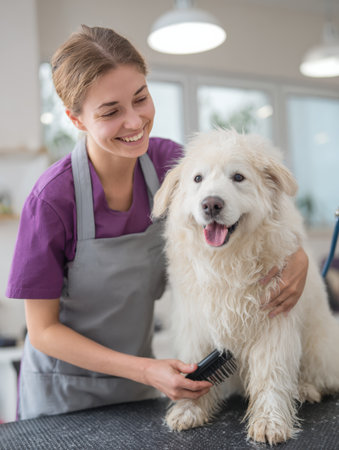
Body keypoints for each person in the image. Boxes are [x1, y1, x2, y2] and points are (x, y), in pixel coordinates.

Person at [6, 25, 309, 420]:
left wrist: (298, 256)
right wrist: (145, 370)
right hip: (63, 398)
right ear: (76, 119)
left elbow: (256, 200)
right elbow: (42, 332)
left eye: (141, 98)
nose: (134, 122)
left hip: (140, 389)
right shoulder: (51, 200)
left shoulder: (173, 164)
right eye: (111, 112)